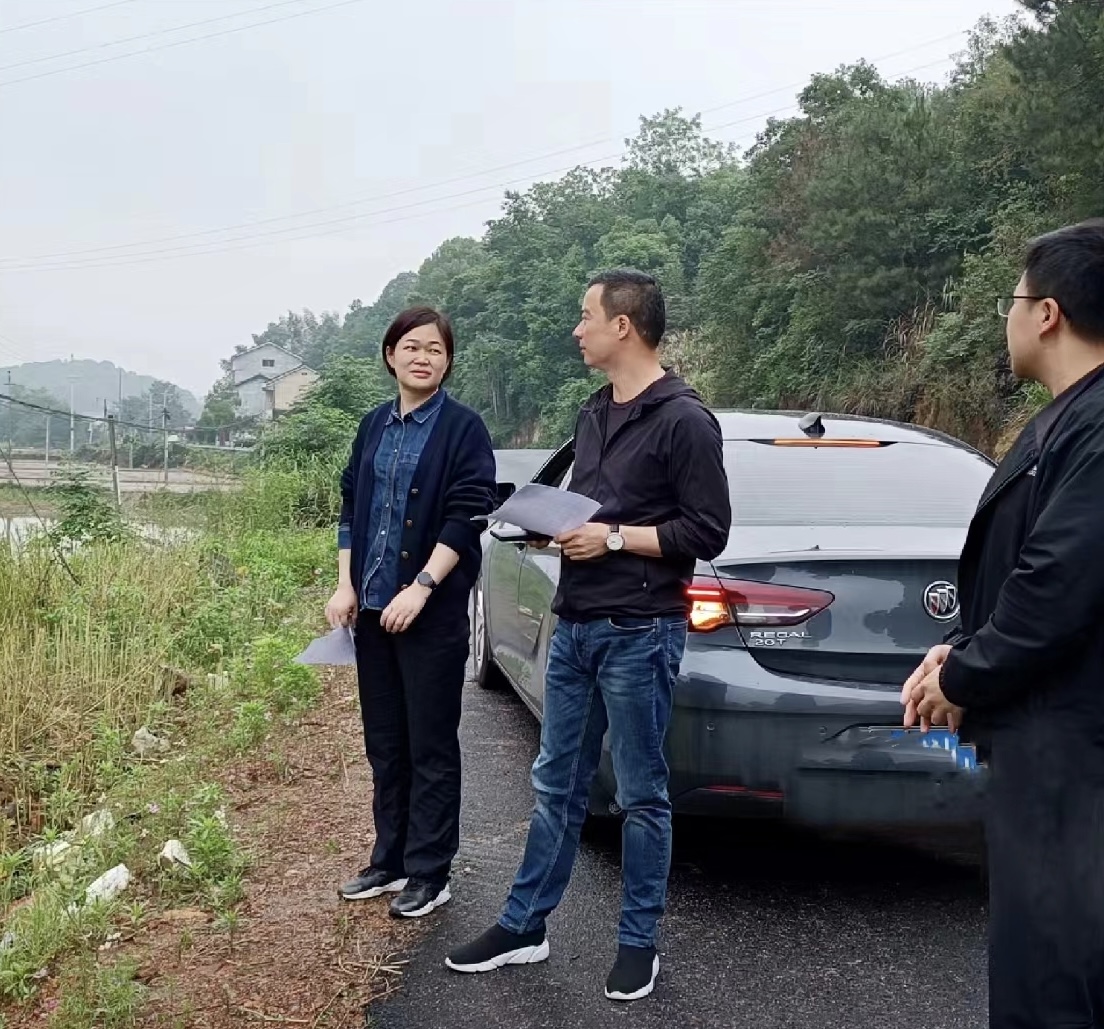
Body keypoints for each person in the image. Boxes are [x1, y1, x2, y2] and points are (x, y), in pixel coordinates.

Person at [446, 270, 731, 1001]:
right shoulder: (595, 411)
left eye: (585, 316)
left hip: (640, 631)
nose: (577, 329)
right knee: (556, 784)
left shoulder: (685, 419)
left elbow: (707, 531)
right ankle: (523, 925)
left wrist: (613, 539)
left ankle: (638, 943)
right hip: (574, 624)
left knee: (641, 794)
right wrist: (554, 531)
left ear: (623, 325)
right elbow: (591, 511)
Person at [901, 220, 1104, 1028]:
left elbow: (1058, 581)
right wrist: (961, 650)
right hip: (1048, 737)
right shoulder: (1069, 418)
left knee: (1054, 969)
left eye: (1012, 301)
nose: (1008, 318)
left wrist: (963, 674)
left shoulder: (1096, 425)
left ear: (1048, 313)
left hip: (1074, 750)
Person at [325, 306, 495, 919]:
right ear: (391, 355)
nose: (424, 357)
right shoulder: (373, 424)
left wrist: (421, 586)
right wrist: (345, 586)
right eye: (413, 346)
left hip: (430, 613)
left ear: (447, 362)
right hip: (371, 611)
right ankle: (389, 859)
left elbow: (467, 514)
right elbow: (352, 507)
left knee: (430, 744)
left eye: (436, 350)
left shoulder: (463, 428)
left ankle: (429, 870)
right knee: (386, 742)